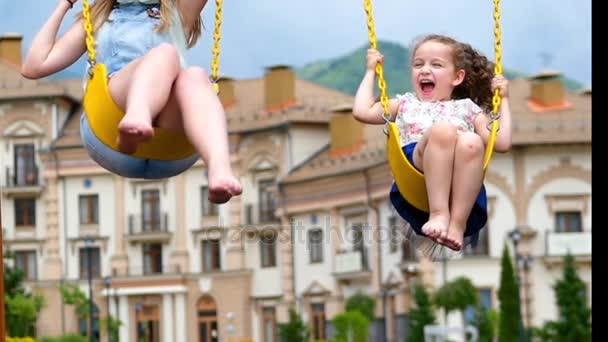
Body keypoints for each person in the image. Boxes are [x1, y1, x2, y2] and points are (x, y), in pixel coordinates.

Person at [21, 0, 242, 204]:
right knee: (164, 54)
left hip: (169, 139)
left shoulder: (177, 12)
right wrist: (64, 4)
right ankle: (137, 118)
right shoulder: (99, 18)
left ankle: (219, 169)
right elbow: (35, 65)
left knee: (195, 76)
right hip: (111, 119)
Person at [353, 34, 512, 251]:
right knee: (443, 131)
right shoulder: (405, 103)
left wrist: (503, 100)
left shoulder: (467, 109)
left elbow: (501, 142)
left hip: (458, 173)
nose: (425, 70)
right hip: (417, 163)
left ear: (457, 77)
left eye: (436, 64)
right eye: (418, 64)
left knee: (473, 141)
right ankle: (439, 214)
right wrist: (371, 71)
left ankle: (457, 224)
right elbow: (362, 111)